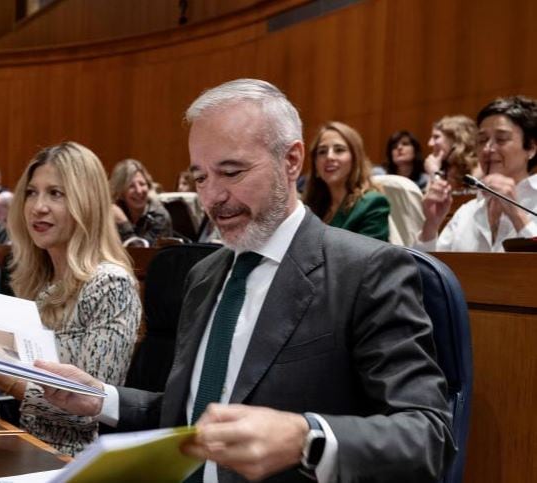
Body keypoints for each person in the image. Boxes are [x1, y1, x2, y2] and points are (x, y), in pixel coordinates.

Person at [37, 79, 453, 482]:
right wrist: (102, 398)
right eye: (200, 177)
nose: (212, 197)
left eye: (231, 172)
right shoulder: (203, 276)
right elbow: (196, 416)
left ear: (291, 161)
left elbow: (427, 437)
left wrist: (306, 437)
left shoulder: (365, 271)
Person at [0, 142, 140, 456]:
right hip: (28, 448)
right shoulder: (45, 283)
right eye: (32, 193)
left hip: (74, 460)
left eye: (56, 193)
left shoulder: (110, 283)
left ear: (87, 203)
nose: (38, 207)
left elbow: (86, 411)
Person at [417, 95, 537, 252]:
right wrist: (431, 225)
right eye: (482, 140)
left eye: (501, 139)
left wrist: (517, 215)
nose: (488, 148)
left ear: (531, 149)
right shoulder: (466, 211)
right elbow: (429, 273)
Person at [303, 121, 391, 241]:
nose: (329, 156)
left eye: (339, 150)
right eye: (322, 152)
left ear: (355, 159)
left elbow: (369, 258)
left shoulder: (373, 204)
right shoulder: (309, 207)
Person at [110, 158, 173, 245]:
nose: (139, 191)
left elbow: (142, 253)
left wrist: (123, 223)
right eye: (131, 186)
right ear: (121, 191)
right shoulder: (113, 212)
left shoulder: (160, 217)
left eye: (142, 184)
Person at [424, 115, 480, 193]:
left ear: (456, 139)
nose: (430, 143)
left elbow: (447, 201)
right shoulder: (441, 168)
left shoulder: (478, 167)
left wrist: (434, 173)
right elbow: (428, 203)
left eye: (436, 137)